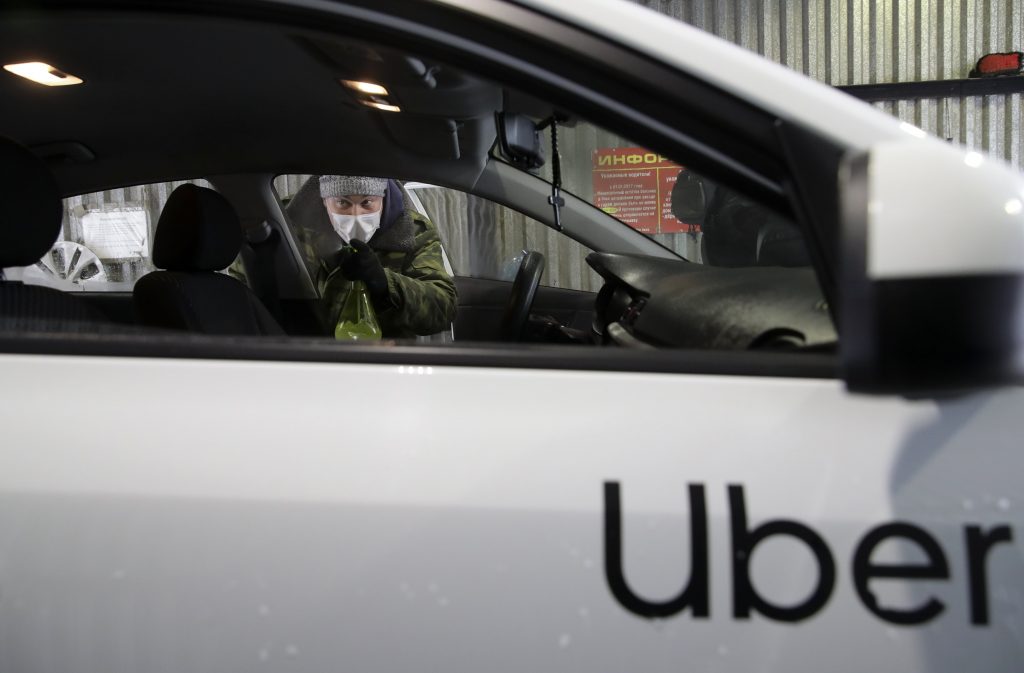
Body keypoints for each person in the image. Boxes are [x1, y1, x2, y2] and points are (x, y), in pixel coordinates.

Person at [299, 175, 456, 338]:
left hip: (383, 350)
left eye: (367, 202)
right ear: (324, 200)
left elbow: (443, 309)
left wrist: (384, 282)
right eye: (342, 202)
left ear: (383, 198)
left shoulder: (414, 232)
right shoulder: (294, 226)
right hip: (306, 350)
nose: (356, 214)